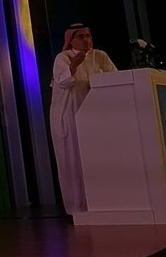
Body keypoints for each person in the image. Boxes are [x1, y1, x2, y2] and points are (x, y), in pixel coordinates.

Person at [50, 22, 118, 215]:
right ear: (71, 40)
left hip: (96, 117)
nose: (87, 40)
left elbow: (115, 79)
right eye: (81, 36)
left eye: (88, 35)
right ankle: (78, 209)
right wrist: (74, 65)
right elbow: (62, 82)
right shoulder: (63, 57)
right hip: (69, 117)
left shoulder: (100, 56)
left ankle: (102, 204)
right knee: (74, 162)